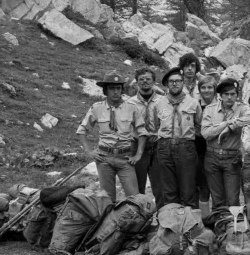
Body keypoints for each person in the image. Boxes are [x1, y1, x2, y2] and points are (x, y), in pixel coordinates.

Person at [77, 70, 147, 202]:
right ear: (105, 90)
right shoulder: (97, 108)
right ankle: (108, 221)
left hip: (125, 158)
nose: (115, 91)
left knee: (134, 198)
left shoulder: (131, 107)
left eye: (118, 88)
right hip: (104, 159)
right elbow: (82, 130)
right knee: (107, 199)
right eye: (112, 88)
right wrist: (89, 151)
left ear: (122, 90)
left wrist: (138, 154)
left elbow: (142, 131)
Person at [153, 67, 202, 207]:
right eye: (171, 81)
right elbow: (156, 125)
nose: (175, 84)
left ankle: (190, 224)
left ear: (183, 83)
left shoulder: (193, 103)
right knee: (168, 189)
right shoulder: (158, 103)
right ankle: (172, 223)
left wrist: (187, 138)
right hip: (164, 147)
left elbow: (199, 125)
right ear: (167, 84)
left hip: (185, 147)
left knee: (188, 188)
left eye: (178, 81)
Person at [201, 78, 250, 208]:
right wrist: (226, 124)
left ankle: (234, 226)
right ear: (220, 96)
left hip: (232, 158)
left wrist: (231, 128)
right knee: (217, 198)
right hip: (212, 157)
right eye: (226, 94)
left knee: (232, 199)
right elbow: (206, 133)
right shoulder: (210, 109)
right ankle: (220, 225)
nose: (230, 97)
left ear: (237, 95)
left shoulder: (243, 109)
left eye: (233, 94)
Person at [127, 67, 165, 207]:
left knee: (160, 186)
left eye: (148, 79)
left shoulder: (163, 101)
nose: (144, 82)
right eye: (141, 79)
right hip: (137, 146)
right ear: (136, 82)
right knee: (137, 187)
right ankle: (140, 216)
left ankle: (162, 217)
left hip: (158, 146)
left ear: (154, 81)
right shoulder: (129, 103)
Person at [195, 75, 217, 217]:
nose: (207, 90)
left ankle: (218, 218)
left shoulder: (221, 104)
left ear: (215, 90)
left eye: (210, 87)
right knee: (202, 187)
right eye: (203, 87)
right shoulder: (194, 104)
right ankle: (204, 219)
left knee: (216, 188)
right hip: (198, 150)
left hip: (216, 149)